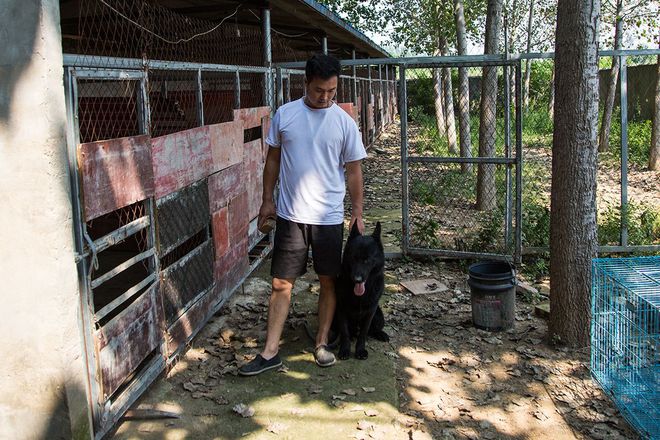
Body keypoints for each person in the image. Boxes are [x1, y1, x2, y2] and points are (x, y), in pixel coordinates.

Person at [238, 54, 366, 375]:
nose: (325, 97)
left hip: (329, 219)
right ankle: (270, 352)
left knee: (328, 281)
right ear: (305, 82)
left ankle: (321, 343)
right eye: (319, 90)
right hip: (291, 215)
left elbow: (353, 171)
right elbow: (272, 161)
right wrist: (267, 200)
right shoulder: (286, 115)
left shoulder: (343, 122)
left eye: (332, 91)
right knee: (281, 283)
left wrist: (358, 212)